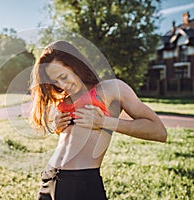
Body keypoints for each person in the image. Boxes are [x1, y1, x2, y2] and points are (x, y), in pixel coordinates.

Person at [30, 40, 167, 200]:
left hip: (81, 184)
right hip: (49, 179)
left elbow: (159, 131)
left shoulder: (111, 89)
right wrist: (58, 127)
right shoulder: (65, 100)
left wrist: (104, 122)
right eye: (55, 82)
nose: (62, 85)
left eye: (63, 76)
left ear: (76, 65)